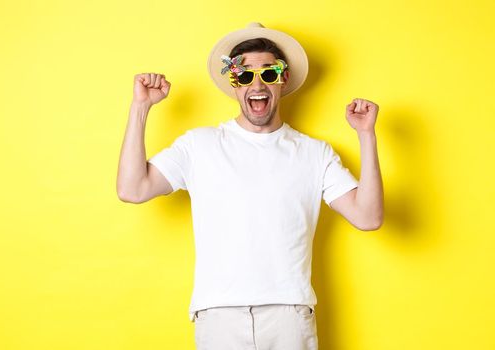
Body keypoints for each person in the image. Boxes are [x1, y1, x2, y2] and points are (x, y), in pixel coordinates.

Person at [115, 22, 384, 350]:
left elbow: (368, 217)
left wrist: (367, 135)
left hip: (289, 314)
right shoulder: (199, 145)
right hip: (218, 316)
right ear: (234, 83)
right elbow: (132, 189)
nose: (257, 83)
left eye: (268, 74)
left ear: (282, 80)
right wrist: (140, 107)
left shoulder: (314, 153)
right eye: (244, 75)